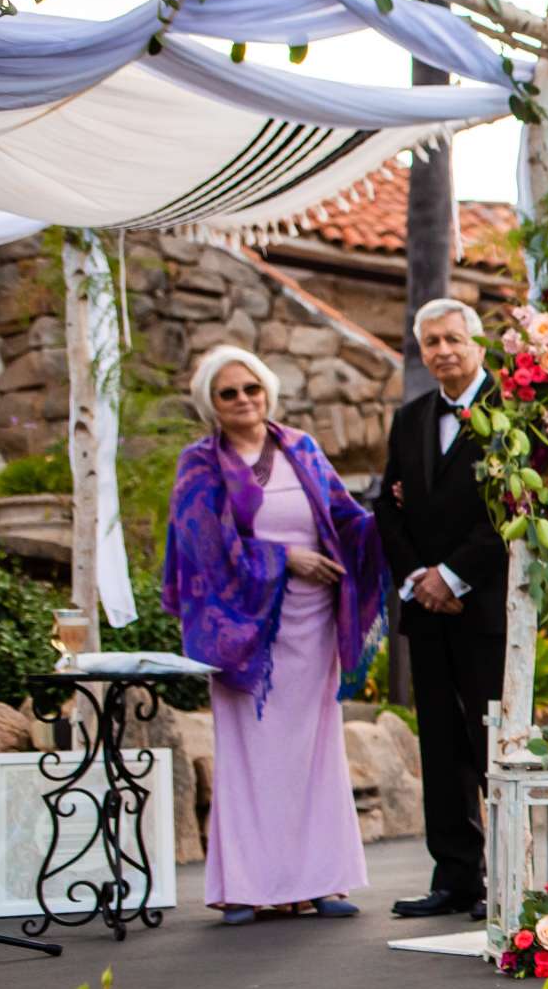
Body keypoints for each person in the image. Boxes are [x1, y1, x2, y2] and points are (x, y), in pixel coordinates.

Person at [162, 346, 388, 925]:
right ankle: (246, 887)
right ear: (210, 405)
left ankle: (323, 880)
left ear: (268, 392)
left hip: (313, 626)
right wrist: (286, 558)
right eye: (228, 393)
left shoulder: (302, 449)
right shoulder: (200, 463)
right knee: (250, 757)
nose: (243, 400)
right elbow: (201, 549)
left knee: (315, 753)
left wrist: (396, 517)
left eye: (251, 389)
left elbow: (345, 518)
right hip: (245, 632)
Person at [377, 298, 506, 921]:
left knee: (492, 741)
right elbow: (387, 508)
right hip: (425, 610)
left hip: (486, 609)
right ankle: (456, 877)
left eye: (452, 338)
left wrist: (454, 577)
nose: (442, 351)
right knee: (439, 745)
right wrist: (418, 580)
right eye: (431, 342)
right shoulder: (409, 419)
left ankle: (509, 876)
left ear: (477, 344)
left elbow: (512, 516)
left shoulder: (517, 415)